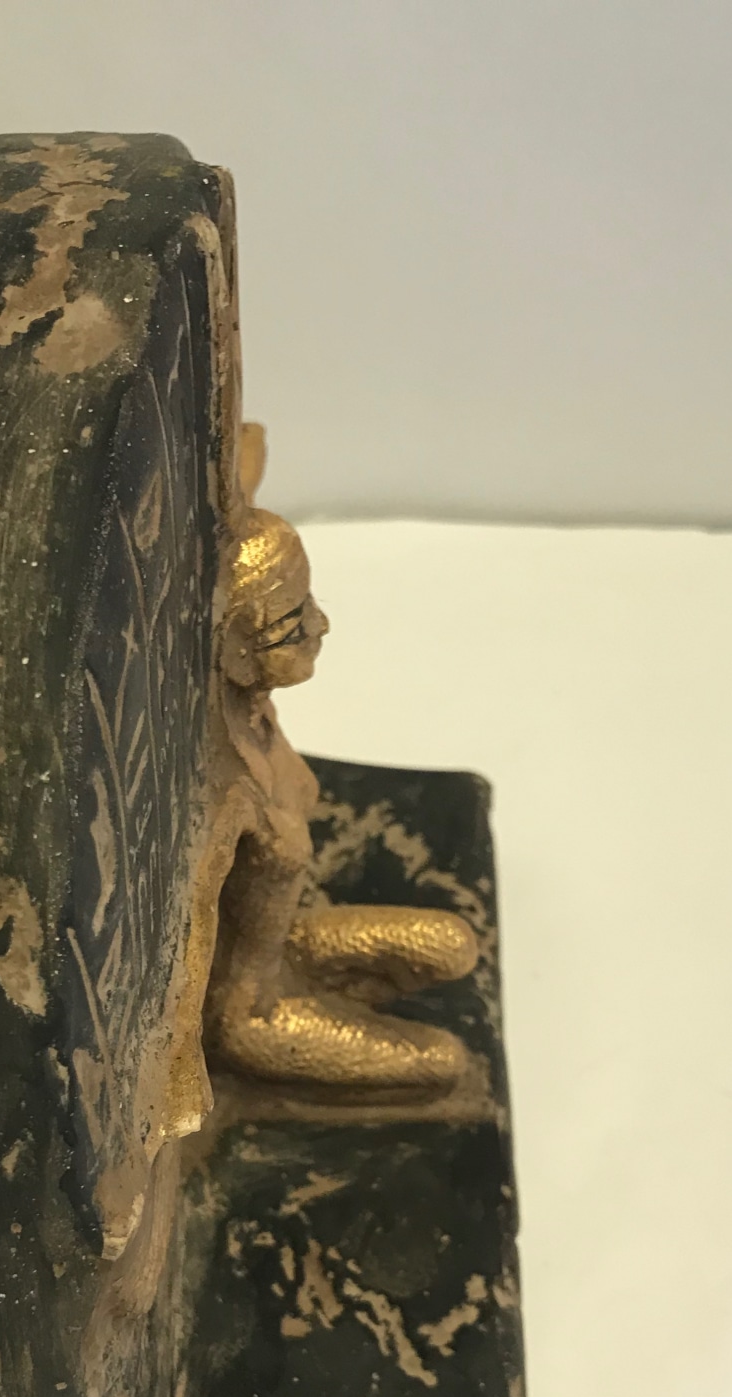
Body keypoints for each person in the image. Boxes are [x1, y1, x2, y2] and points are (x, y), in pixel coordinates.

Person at [204, 426, 478, 1094]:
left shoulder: (253, 711)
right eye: (292, 624)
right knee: (443, 1062)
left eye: (312, 604)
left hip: (286, 949)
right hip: (250, 1010)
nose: (321, 626)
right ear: (231, 651)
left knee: (453, 946)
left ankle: (330, 991)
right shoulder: (216, 797)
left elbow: (242, 468)